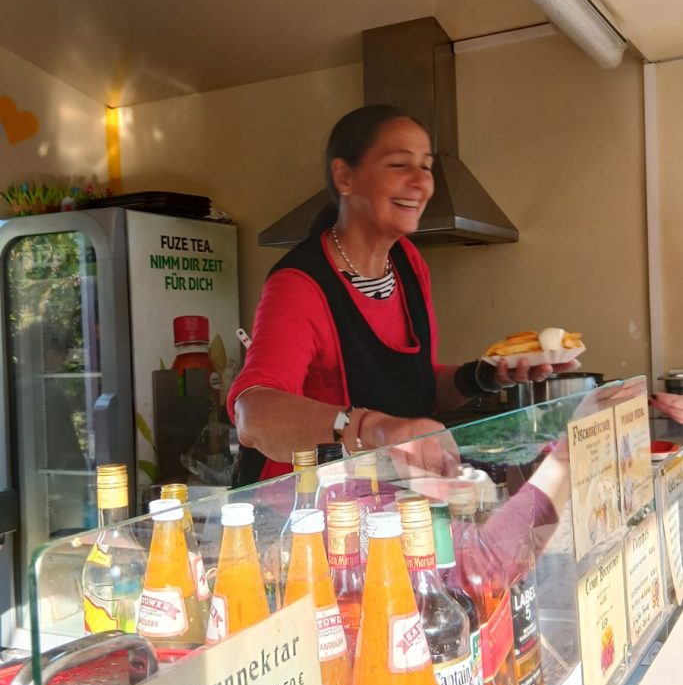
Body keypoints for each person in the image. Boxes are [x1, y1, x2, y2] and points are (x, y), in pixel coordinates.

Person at [228, 104, 577, 484]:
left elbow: (417, 385)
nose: (421, 183)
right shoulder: (300, 284)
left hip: (385, 495)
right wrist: (371, 429)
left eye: (426, 166)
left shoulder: (408, 263)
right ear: (345, 177)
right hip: (302, 503)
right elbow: (252, 413)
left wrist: (484, 376)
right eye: (399, 164)